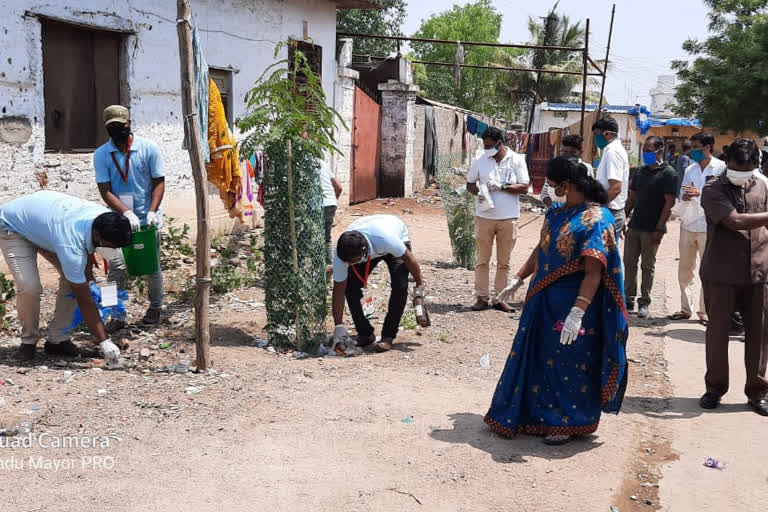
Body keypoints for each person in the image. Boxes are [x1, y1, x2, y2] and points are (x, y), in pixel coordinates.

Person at [484, 156, 628, 445]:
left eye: (551, 184)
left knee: (568, 362)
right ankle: (533, 415)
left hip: (574, 306)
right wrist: (520, 278)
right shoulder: (555, 213)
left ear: (569, 184)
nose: (548, 189)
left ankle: (568, 422)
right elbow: (543, 248)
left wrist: (578, 312)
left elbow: (593, 272)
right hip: (541, 301)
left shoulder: (598, 219)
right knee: (537, 358)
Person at [0, 191, 129, 362]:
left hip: (46, 227)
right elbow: (84, 298)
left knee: (74, 281)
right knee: (30, 287)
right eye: (110, 246)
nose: (112, 251)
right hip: (13, 227)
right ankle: (28, 341)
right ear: (97, 235)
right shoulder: (71, 244)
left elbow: (86, 273)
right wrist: (104, 341)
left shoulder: (104, 220)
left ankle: (57, 340)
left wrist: (93, 288)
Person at [699, 138, 768, 416]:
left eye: (749, 168)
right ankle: (714, 388)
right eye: (738, 168)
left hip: (758, 270)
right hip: (721, 272)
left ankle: (758, 391)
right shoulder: (713, 188)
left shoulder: (762, 184)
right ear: (727, 162)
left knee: (760, 335)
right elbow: (734, 220)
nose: (743, 173)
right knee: (718, 333)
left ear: (756, 165)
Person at [93, 105, 165, 331]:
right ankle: (115, 314)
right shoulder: (101, 154)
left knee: (152, 266)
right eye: (111, 127)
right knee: (115, 269)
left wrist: (152, 211)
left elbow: (158, 182)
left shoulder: (148, 149)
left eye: (120, 126)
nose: (117, 130)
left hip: (147, 220)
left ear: (129, 124)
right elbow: (105, 190)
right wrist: (126, 212)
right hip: (116, 222)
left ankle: (156, 307)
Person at [331, 215, 425, 353]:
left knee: (400, 285)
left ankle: (388, 336)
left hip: (392, 232)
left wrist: (419, 287)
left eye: (354, 261)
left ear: (364, 251)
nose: (350, 265)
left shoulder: (387, 239)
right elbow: (338, 289)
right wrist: (338, 325)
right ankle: (365, 334)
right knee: (350, 287)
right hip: (368, 237)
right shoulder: (342, 255)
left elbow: (409, 259)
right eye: (347, 262)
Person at [466, 127, 530, 312]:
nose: (487, 149)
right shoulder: (480, 161)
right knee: (482, 260)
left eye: (489, 146)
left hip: (508, 218)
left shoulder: (516, 160)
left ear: (500, 143)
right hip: (484, 217)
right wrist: (480, 192)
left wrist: (503, 187)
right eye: (485, 146)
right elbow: (470, 184)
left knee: (504, 261)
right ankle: (481, 297)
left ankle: (500, 298)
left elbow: (525, 187)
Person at [669, 132, 725, 324]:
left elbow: (720, 198)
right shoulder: (690, 169)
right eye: (691, 147)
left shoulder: (720, 168)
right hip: (688, 223)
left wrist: (699, 193)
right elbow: (684, 191)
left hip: (708, 225)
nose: (692, 151)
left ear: (707, 148)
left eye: (696, 147)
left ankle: (704, 311)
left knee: (707, 270)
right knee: (685, 269)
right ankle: (686, 308)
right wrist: (685, 197)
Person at [622, 137, 678, 319]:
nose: (646, 153)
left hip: (652, 229)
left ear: (659, 151)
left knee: (647, 266)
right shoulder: (639, 172)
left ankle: (644, 302)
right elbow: (632, 197)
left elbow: (669, 204)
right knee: (629, 263)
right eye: (644, 150)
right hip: (635, 226)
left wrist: (660, 229)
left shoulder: (668, 174)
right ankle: (628, 298)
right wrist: (623, 218)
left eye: (649, 150)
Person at [592, 116, 630, 235]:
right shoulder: (613, 150)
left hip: (610, 210)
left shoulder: (612, 152)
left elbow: (616, 188)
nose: (595, 138)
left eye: (596, 134)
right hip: (611, 209)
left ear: (607, 134)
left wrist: (598, 208)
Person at [541, 134, 594, 207]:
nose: (568, 155)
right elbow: (544, 194)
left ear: (580, 153)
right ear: (560, 151)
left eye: (572, 152)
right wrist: (555, 208)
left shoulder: (587, 168)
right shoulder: (554, 167)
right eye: (564, 152)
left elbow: (590, 193)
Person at [319, 158, 342, 267]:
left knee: (314, 235)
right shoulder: (324, 163)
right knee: (326, 236)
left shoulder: (304, 163)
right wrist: (332, 201)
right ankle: (329, 264)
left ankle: (317, 263)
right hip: (331, 203)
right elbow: (339, 187)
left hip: (317, 205)